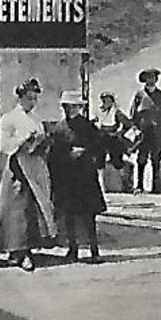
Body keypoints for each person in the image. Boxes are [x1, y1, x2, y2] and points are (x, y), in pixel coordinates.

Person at [0, 78, 56, 271]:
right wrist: (22, 141)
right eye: (29, 98)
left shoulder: (35, 119)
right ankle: (16, 251)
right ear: (19, 98)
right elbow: (3, 145)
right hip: (18, 167)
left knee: (32, 210)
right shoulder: (8, 119)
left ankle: (27, 250)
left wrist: (42, 143)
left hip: (35, 167)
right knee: (15, 209)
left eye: (35, 99)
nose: (32, 103)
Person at [47, 90, 107, 263]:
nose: (69, 110)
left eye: (73, 107)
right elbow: (53, 154)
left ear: (79, 108)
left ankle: (94, 250)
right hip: (66, 177)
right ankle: (72, 249)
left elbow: (100, 147)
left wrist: (86, 152)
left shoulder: (88, 127)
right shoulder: (59, 128)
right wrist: (64, 157)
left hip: (85, 176)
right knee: (69, 215)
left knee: (89, 216)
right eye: (66, 107)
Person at [129, 68, 161, 193]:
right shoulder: (139, 95)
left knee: (156, 158)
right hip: (143, 131)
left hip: (158, 131)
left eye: (153, 78)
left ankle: (156, 186)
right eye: (148, 78)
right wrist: (135, 128)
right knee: (141, 158)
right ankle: (140, 185)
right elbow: (133, 113)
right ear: (144, 80)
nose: (151, 80)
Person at [92, 91, 131, 170]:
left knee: (116, 161)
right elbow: (94, 122)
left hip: (112, 138)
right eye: (104, 100)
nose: (105, 102)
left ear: (112, 101)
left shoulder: (116, 112)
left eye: (108, 100)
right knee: (98, 160)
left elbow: (128, 124)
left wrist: (119, 133)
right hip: (101, 137)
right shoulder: (99, 111)